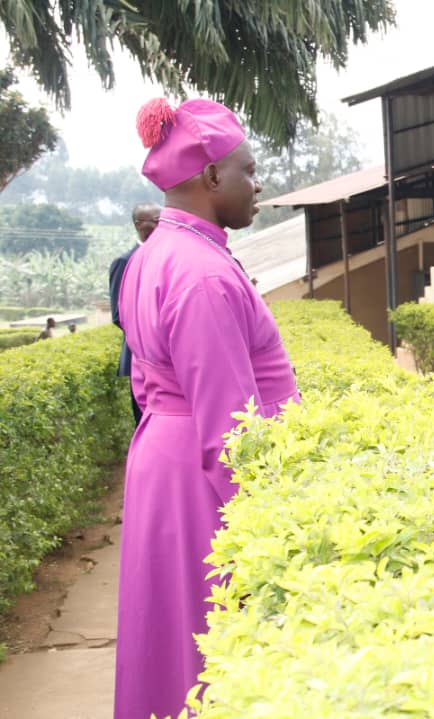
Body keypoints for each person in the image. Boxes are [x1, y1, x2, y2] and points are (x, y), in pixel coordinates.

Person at [113, 97, 300, 719]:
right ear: (213, 175)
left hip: (165, 461)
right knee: (211, 649)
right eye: (248, 169)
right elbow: (231, 430)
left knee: (171, 639)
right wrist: (271, 529)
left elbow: (147, 386)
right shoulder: (200, 274)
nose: (258, 183)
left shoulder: (154, 255)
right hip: (202, 481)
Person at [109, 202, 161, 427]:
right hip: (140, 356)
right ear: (139, 224)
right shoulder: (124, 261)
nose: (161, 225)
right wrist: (150, 335)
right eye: (155, 220)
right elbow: (119, 315)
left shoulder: (165, 257)